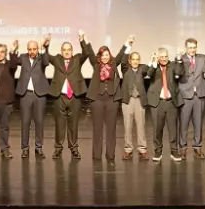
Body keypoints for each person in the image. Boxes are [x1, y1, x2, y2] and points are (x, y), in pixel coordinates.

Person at [48, 32, 89, 160]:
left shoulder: (77, 59)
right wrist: (46, 44)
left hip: (74, 96)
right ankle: (58, 149)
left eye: (69, 49)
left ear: (72, 51)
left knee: (73, 124)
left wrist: (82, 40)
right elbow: (46, 56)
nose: (67, 52)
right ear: (61, 51)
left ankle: (74, 148)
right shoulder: (57, 60)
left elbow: (86, 53)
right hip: (60, 96)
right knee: (59, 125)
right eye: (64, 50)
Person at [86, 38, 127, 162]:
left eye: (107, 55)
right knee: (97, 128)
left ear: (110, 56)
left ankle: (110, 154)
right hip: (97, 99)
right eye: (102, 55)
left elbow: (121, 54)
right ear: (99, 56)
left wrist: (127, 43)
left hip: (112, 100)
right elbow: (90, 52)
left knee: (111, 128)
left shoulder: (113, 64)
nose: (105, 57)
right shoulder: (96, 65)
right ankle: (97, 155)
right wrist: (84, 40)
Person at [15, 36, 52, 159]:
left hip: (39, 94)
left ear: (37, 49)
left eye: (34, 49)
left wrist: (44, 48)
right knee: (25, 122)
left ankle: (38, 147)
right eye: (30, 49)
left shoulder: (41, 58)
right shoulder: (23, 57)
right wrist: (13, 50)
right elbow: (12, 63)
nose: (32, 51)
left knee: (39, 121)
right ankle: (25, 148)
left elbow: (46, 62)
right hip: (26, 94)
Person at [176, 38, 205, 160]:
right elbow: (177, 73)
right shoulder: (181, 58)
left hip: (199, 95)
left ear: (196, 47)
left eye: (194, 47)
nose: (192, 50)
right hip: (186, 95)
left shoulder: (201, 58)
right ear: (186, 47)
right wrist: (179, 60)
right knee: (183, 123)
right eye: (190, 47)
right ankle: (183, 148)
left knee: (198, 123)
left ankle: (197, 147)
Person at [145, 48, 184, 163]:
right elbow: (149, 74)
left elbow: (179, 72)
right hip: (157, 102)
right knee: (157, 128)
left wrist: (179, 59)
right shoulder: (154, 66)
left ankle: (174, 150)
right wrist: (153, 62)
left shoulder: (172, 65)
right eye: (161, 57)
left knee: (173, 128)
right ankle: (158, 150)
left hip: (171, 101)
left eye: (166, 56)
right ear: (158, 57)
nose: (164, 59)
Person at [117, 45, 150, 161]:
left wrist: (152, 60)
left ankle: (142, 150)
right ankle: (128, 150)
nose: (135, 61)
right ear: (130, 61)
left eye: (137, 59)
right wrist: (128, 46)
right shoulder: (126, 69)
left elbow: (148, 69)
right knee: (127, 126)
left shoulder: (142, 69)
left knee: (141, 126)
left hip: (139, 101)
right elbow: (123, 61)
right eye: (133, 59)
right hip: (128, 100)